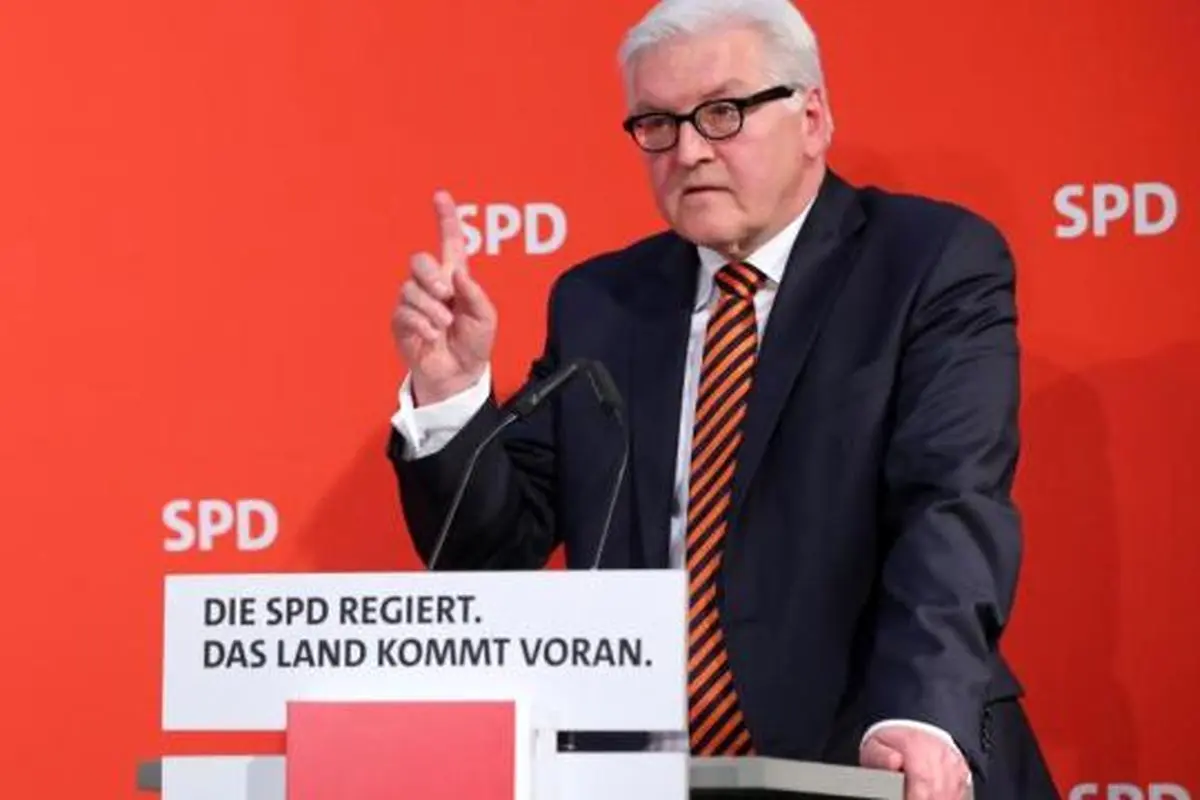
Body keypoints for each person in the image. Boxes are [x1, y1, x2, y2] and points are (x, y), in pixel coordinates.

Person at [386, 1, 1060, 798]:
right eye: (657, 124)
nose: (689, 151)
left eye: (723, 112)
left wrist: (919, 713)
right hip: (652, 771)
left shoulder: (927, 263)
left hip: (872, 754)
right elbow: (489, 553)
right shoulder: (601, 302)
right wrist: (451, 391)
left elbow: (950, 505)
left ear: (812, 118)